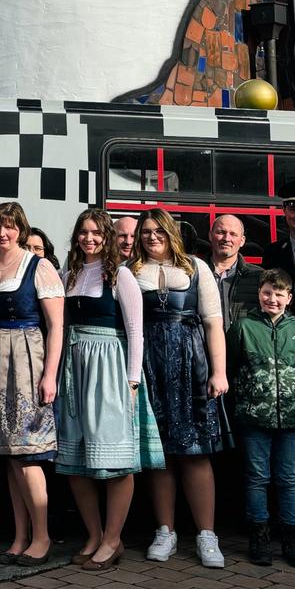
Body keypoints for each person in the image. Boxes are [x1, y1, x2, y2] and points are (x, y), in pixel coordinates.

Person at [56, 208, 159, 571]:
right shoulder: (68, 274)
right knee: (75, 459)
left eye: (96, 232)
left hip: (110, 366)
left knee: (116, 459)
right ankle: (94, 534)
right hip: (76, 367)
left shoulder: (121, 275)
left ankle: (113, 539)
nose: (89, 238)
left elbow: (136, 332)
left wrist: (131, 381)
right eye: (83, 232)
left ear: (107, 237)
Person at [131, 207, 230, 568]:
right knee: (159, 453)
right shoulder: (130, 271)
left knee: (195, 452)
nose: (152, 236)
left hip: (191, 363)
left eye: (158, 230)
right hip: (149, 365)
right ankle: (165, 531)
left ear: (171, 232)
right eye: (146, 231)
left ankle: (207, 535)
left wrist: (219, 372)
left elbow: (213, 323)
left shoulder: (195, 267)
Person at [0, 202, 64, 565]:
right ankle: (21, 535)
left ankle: (42, 536)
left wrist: (50, 374)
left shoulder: (39, 267)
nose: (2, 232)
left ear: (21, 230)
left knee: (27, 453)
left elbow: (56, 326)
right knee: (10, 455)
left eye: (10, 226)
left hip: (27, 360)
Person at [227, 268, 295, 568]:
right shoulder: (243, 328)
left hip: (290, 419)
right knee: (257, 477)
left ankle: (291, 540)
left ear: (289, 298)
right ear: (259, 294)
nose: (272, 299)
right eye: (267, 293)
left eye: (279, 294)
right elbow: (231, 365)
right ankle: (259, 538)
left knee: (288, 478)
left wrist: (294, 392)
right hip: (254, 417)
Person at [207, 214, 262, 329]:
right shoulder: (195, 272)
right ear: (210, 236)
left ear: (242, 241)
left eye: (233, 234)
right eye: (221, 232)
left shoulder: (259, 277)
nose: (227, 239)